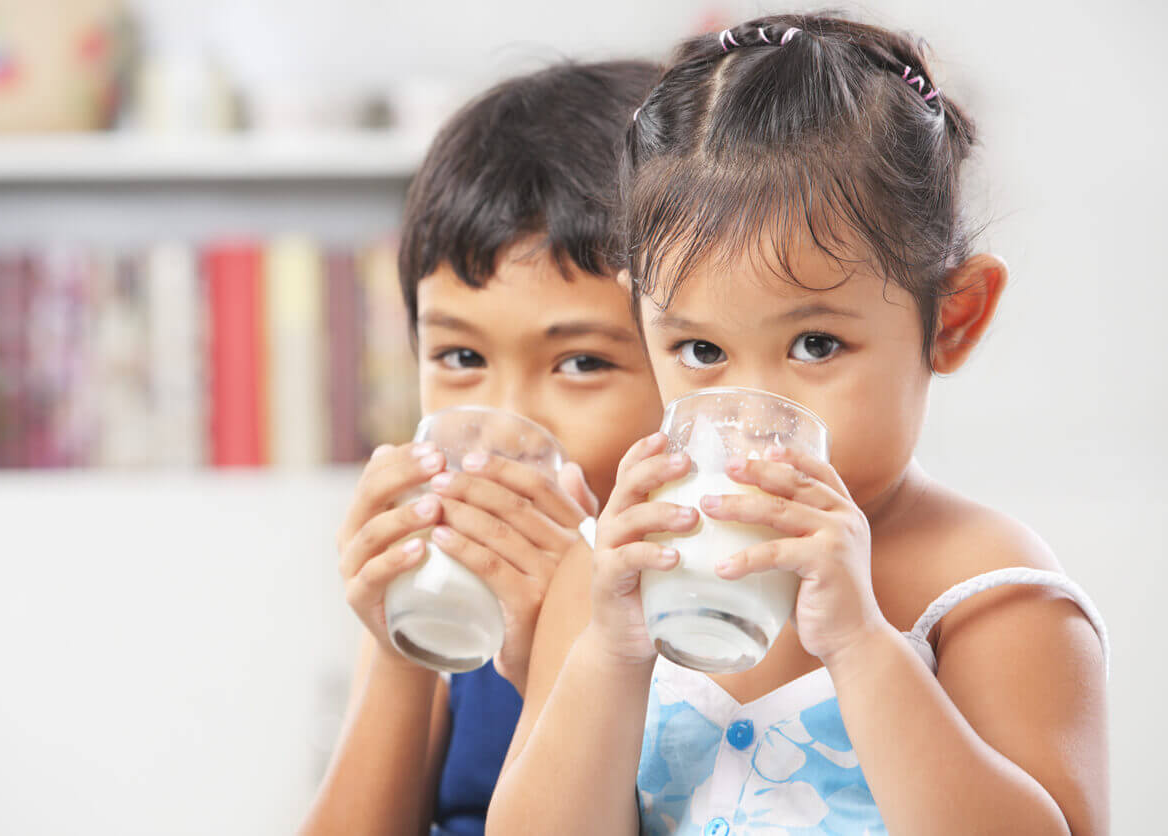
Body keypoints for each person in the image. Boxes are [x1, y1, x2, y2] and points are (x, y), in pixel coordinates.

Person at [488, 14, 1109, 835]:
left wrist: (860, 644)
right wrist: (610, 651)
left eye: (815, 344)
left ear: (952, 319)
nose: (755, 409)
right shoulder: (609, 573)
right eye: (700, 348)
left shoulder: (988, 588)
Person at [298, 60, 664, 836]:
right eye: (461, 359)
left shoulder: (709, 606)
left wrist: (567, 637)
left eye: (582, 363)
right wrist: (399, 653)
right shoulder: (445, 594)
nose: (504, 421)